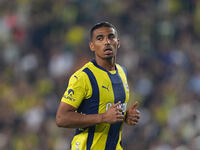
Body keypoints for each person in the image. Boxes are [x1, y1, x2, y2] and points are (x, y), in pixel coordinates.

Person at [56, 22, 140, 150]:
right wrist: (102, 117)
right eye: (100, 38)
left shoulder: (122, 72)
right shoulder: (84, 77)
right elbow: (61, 118)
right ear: (92, 46)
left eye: (111, 37)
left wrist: (125, 116)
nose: (106, 42)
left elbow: (108, 110)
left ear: (118, 42)